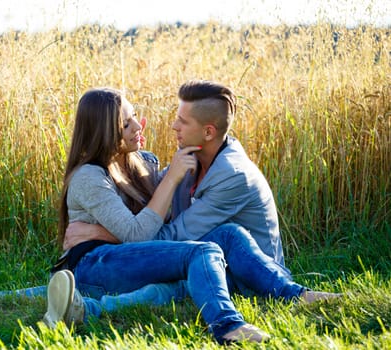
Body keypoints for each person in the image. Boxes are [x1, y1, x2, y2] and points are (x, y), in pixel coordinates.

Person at [43, 86, 339, 344]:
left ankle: (294, 294)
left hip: (125, 253)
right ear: (104, 132)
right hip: (97, 263)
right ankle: (228, 326)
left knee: (227, 236)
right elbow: (140, 231)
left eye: (134, 116)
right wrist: (170, 179)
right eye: (126, 123)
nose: (139, 125)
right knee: (202, 254)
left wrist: (100, 231)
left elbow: (152, 222)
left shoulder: (144, 163)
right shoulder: (91, 177)